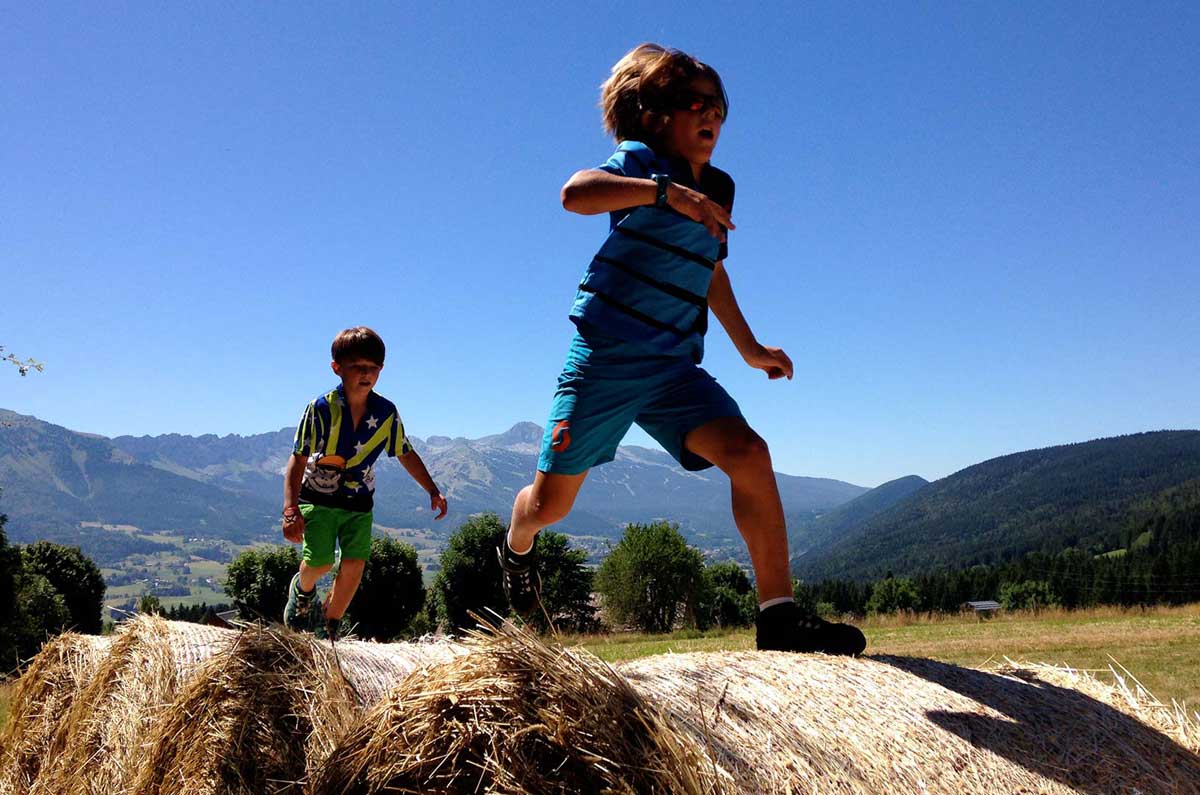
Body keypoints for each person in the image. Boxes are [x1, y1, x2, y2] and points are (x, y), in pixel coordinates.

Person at [498, 44, 865, 655]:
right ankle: (514, 543)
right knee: (549, 507)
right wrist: (664, 193)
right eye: (696, 102)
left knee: (750, 453)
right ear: (654, 113)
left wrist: (749, 348)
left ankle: (778, 619)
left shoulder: (719, 186)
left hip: (673, 369)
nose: (712, 115)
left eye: (719, 106)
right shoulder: (640, 163)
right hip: (607, 357)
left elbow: (710, 270)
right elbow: (575, 193)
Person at [281, 326, 447, 640]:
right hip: (318, 497)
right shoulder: (320, 409)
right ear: (337, 368)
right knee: (320, 562)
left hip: (359, 501)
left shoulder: (386, 413)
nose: (366, 374)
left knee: (354, 566)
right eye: (358, 367)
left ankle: (328, 626)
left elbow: (404, 452)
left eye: (373, 368)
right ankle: (302, 592)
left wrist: (433, 489)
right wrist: (291, 509)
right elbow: (297, 459)